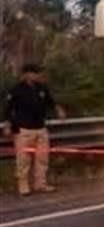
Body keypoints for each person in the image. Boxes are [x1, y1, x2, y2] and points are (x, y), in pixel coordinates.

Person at [3, 64, 65, 196]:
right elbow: (8, 109)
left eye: (38, 73)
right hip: (23, 129)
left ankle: (40, 183)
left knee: (42, 158)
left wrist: (58, 109)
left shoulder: (42, 88)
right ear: (26, 74)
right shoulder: (17, 89)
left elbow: (51, 102)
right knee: (23, 159)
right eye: (34, 73)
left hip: (40, 128)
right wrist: (8, 125)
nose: (37, 75)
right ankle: (23, 186)